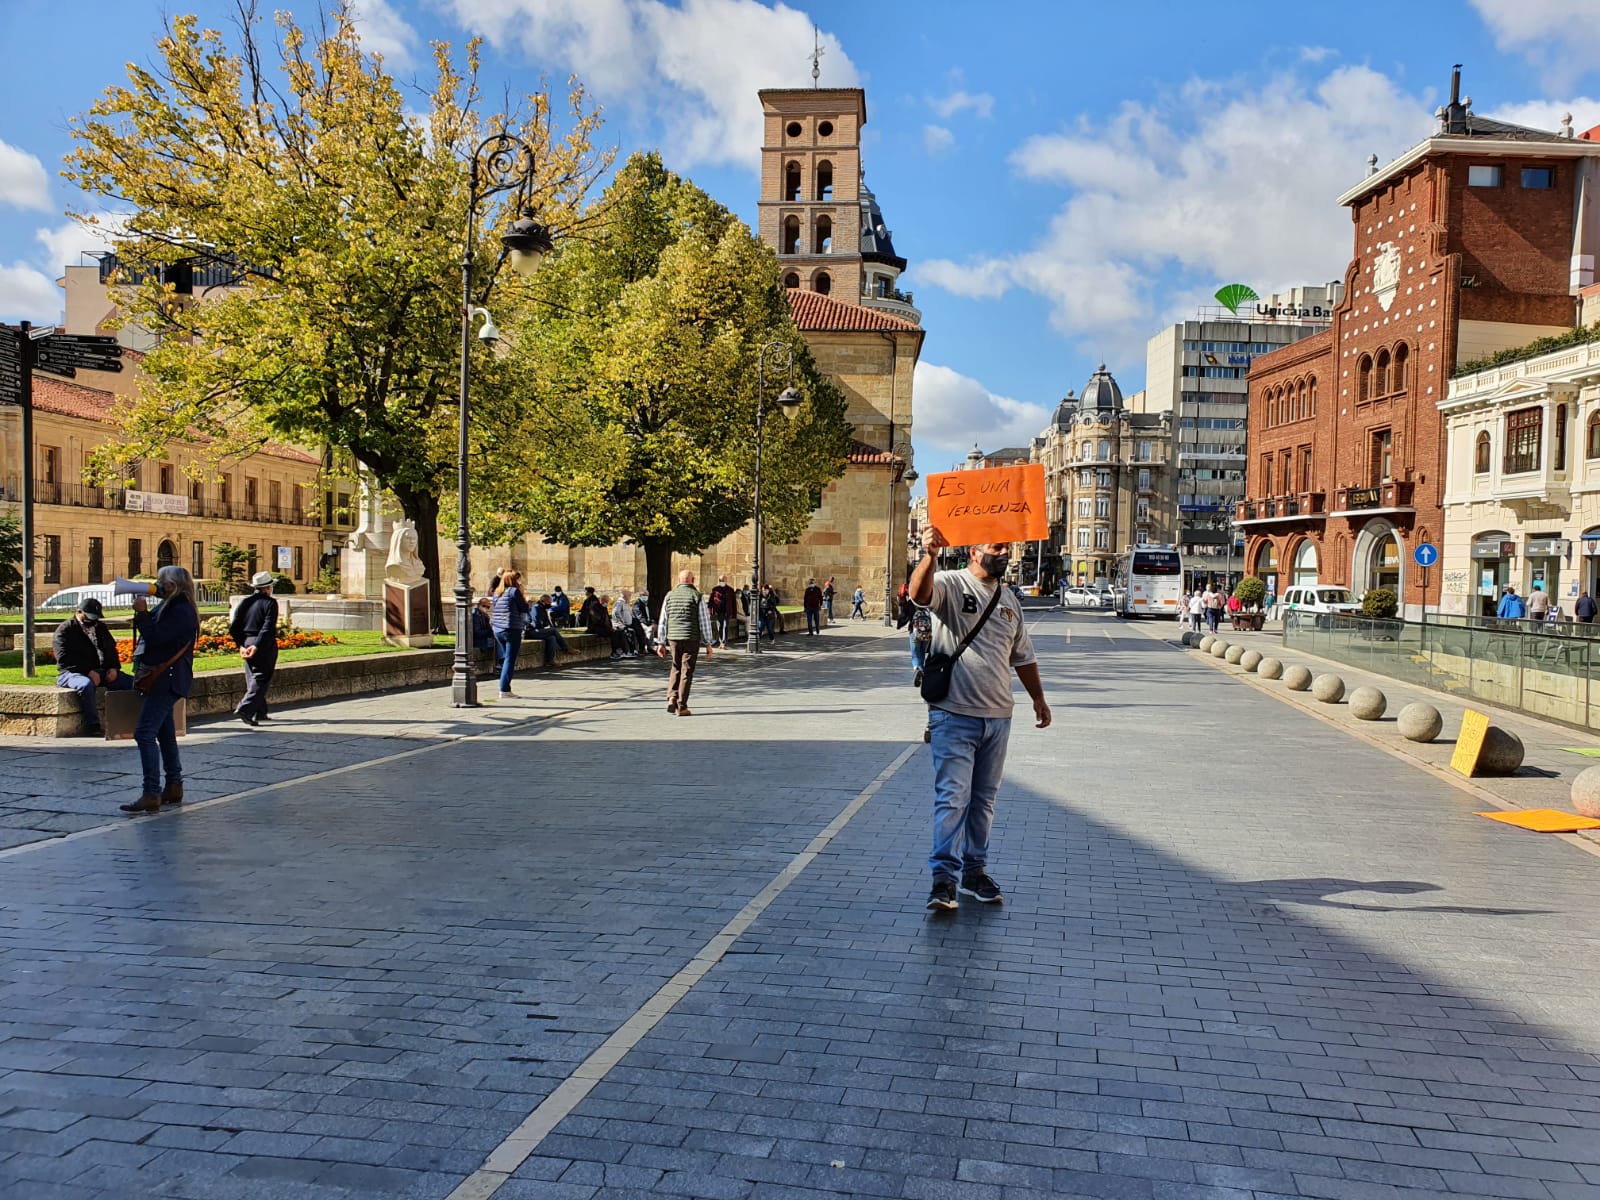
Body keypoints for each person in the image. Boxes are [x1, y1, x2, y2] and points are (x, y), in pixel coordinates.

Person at [911, 527, 1050, 912]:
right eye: (997, 547)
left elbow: (1023, 656)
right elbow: (919, 595)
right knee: (953, 798)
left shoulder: (1009, 600)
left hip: (998, 717)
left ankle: (975, 872)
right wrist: (929, 555)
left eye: (1007, 547)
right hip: (953, 714)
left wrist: (1038, 698)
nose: (1004, 553)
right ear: (974, 551)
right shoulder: (951, 583)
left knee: (983, 801)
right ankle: (943, 879)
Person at [121, 565, 200, 815]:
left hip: (167, 679)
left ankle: (151, 792)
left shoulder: (181, 610)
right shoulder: (172, 606)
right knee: (165, 734)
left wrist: (142, 614)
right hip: (165, 679)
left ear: (172, 585)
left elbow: (156, 639)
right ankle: (174, 785)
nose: (157, 585)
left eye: (161, 581)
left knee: (144, 733)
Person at [53, 597, 131, 737]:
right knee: (85, 685)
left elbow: (111, 649)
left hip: (100, 671)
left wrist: (113, 668)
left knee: (132, 682)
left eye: (95, 618)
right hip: (71, 672)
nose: (92, 621)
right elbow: (64, 659)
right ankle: (93, 725)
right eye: (89, 618)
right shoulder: (65, 630)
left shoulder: (100, 627)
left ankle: (132, 722)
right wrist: (87, 671)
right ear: (79, 612)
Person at [230, 570, 280, 726]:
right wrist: (256, 646)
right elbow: (267, 628)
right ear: (268, 588)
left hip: (246, 641)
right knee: (261, 677)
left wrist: (241, 645)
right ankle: (245, 708)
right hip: (262, 644)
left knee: (252, 677)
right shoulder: (270, 603)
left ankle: (260, 711)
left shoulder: (245, 602)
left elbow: (234, 627)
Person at [662, 570, 713, 716]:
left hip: (673, 637)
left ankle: (672, 696)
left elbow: (663, 620)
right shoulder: (697, 596)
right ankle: (681, 706)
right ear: (693, 580)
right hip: (691, 637)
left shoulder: (669, 595)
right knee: (687, 670)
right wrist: (708, 643)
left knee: (675, 666)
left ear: (679, 580)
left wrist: (660, 642)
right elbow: (704, 621)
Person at [492, 570, 532, 696]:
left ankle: (505, 687)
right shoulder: (514, 591)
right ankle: (504, 689)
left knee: (506, 658)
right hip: (511, 628)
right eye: (517, 579)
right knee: (510, 659)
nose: (519, 582)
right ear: (513, 580)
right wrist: (525, 599)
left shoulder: (497, 593)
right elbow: (524, 608)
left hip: (498, 629)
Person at [529, 594, 570, 666]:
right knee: (553, 630)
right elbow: (536, 624)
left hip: (539, 630)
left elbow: (547, 622)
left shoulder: (543, 609)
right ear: (543, 601)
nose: (550, 604)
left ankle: (549, 661)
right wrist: (546, 628)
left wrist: (547, 627)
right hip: (531, 631)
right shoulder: (536, 608)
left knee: (552, 638)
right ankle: (566, 648)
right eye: (549, 602)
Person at [709, 576, 739, 647]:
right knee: (720, 626)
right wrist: (709, 610)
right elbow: (711, 601)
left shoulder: (730, 590)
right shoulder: (715, 589)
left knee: (725, 626)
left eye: (723, 580)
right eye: (720, 580)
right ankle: (721, 641)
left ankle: (724, 642)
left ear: (726, 580)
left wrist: (734, 614)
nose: (722, 581)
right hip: (719, 611)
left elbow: (734, 603)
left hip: (727, 611)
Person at [613, 590, 642, 656]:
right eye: (629, 595)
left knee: (633, 632)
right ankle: (628, 652)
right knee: (628, 634)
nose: (630, 597)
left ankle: (633, 651)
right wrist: (621, 621)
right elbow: (616, 612)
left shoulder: (625, 603)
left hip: (628, 624)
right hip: (622, 625)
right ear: (625, 596)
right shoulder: (619, 603)